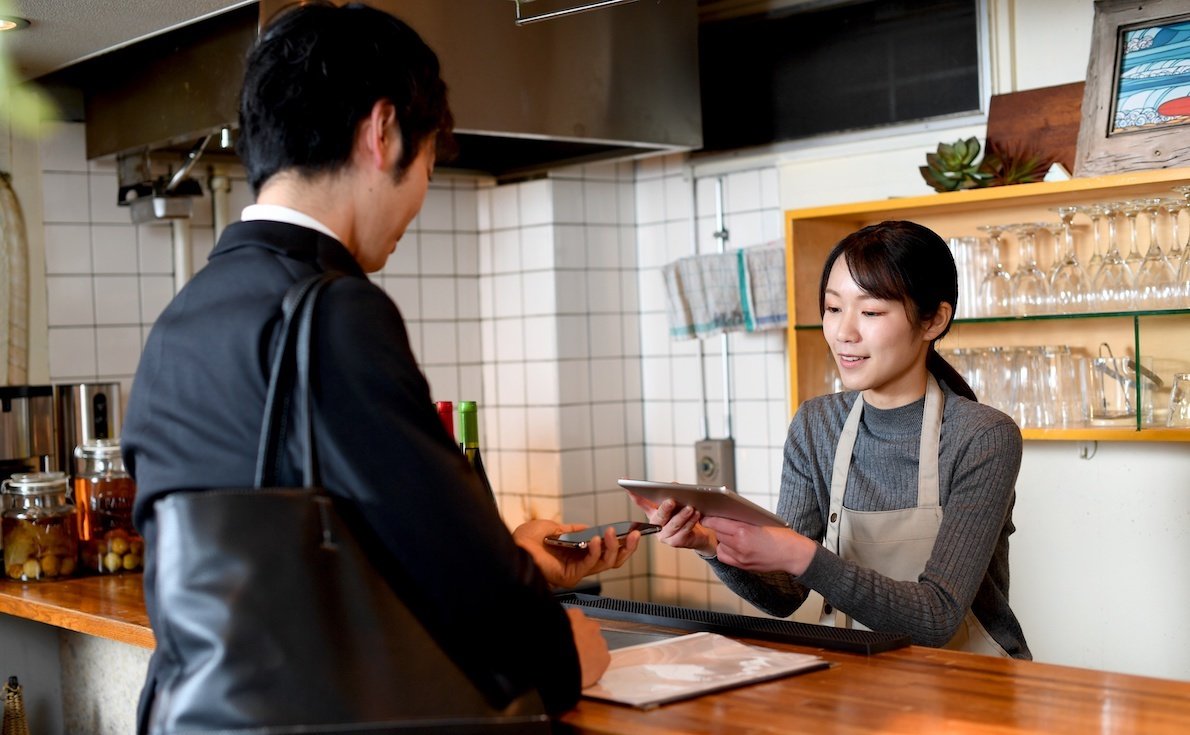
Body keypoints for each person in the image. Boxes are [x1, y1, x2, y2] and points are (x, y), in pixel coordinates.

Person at [122, 2, 639, 730]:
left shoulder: (184, 318)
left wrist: (519, 560)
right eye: (427, 161)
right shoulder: (331, 311)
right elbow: (456, 572)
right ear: (382, 130)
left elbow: (309, 547)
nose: (419, 196)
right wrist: (562, 652)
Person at [633, 220, 1031, 659]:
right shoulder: (815, 424)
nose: (845, 332)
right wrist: (712, 545)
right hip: (861, 678)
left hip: (973, 688)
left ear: (933, 320)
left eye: (871, 312)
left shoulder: (983, 437)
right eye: (833, 308)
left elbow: (937, 619)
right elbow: (786, 596)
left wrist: (803, 555)